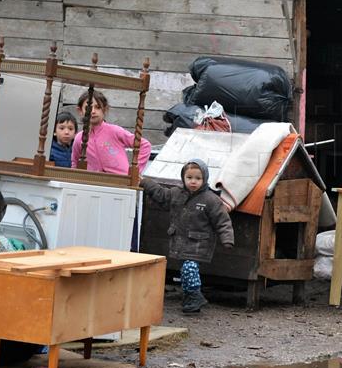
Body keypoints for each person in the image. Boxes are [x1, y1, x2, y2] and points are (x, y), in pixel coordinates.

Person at [140, 159, 234, 314]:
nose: (193, 182)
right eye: (189, 178)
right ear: (184, 177)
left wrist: (227, 239)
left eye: (198, 178)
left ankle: (195, 296)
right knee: (185, 270)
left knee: (189, 268)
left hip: (199, 243)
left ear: (204, 179)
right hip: (180, 240)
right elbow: (162, 194)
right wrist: (145, 183)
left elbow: (222, 220)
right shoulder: (176, 193)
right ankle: (191, 298)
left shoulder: (210, 199)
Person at [70, 90, 151, 174]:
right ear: (80, 111)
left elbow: (145, 145)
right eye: (88, 108)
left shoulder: (115, 131)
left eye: (98, 107)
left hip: (121, 182)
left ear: (105, 109)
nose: (93, 111)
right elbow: (75, 163)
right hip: (95, 183)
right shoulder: (79, 138)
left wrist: (135, 173)